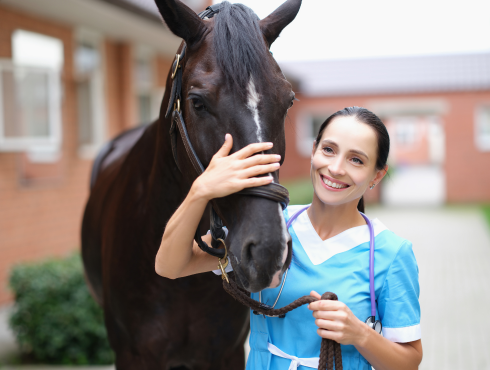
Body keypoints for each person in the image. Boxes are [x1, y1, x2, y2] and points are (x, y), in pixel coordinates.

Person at [156, 107, 423, 370]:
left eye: (356, 160)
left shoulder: (391, 254)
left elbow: (409, 362)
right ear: (314, 150)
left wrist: (361, 335)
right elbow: (171, 265)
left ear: (377, 175)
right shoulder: (267, 226)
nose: (336, 168)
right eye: (328, 150)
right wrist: (200, 191)